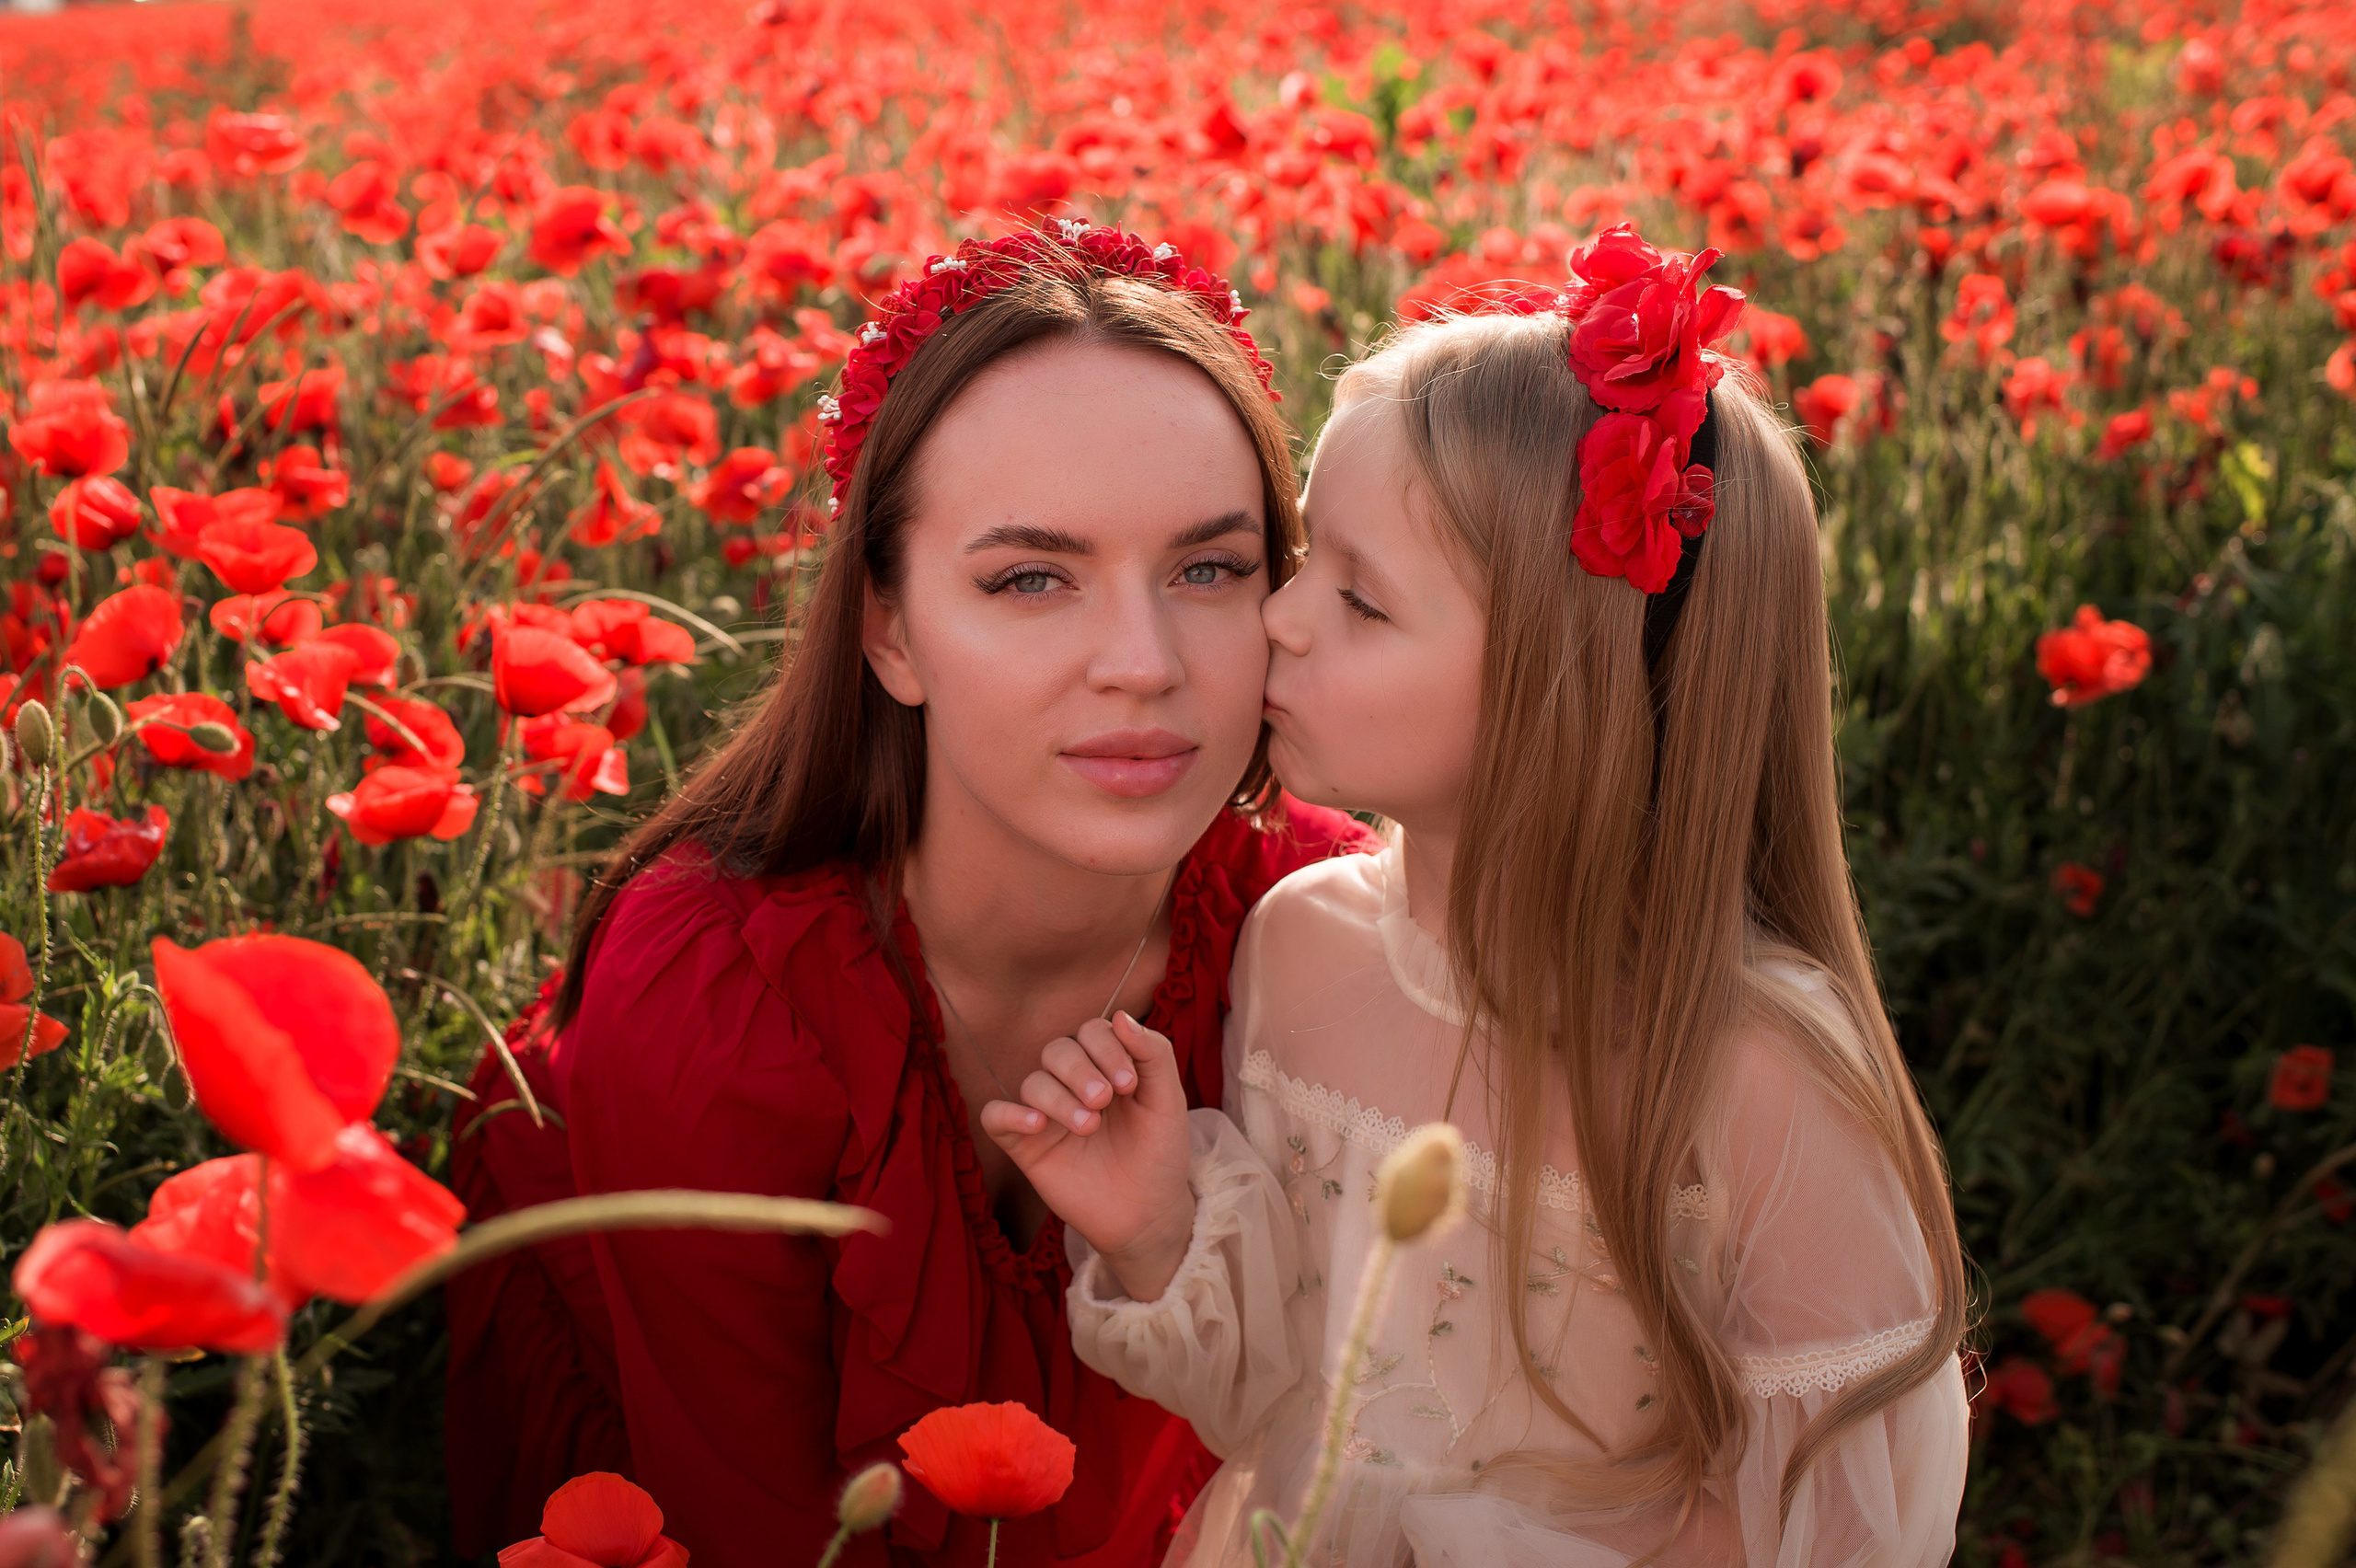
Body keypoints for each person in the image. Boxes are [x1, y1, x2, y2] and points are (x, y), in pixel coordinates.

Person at [984, 225, 1972, 1567]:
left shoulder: (1753, 1070)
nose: (1278, 618)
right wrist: (1159, 1228)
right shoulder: (1306, 943)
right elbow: (1288, 1412)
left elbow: (1837, 1521)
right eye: (1303, 559)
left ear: (1564, 688)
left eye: (1362, 601)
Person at [442, 225, 1377, 1565]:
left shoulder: (1333, 929)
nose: (1143, 661)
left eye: (1209, 568)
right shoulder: (712, 994)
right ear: (889, 630)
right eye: (1031, 578)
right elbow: (756, 1526)